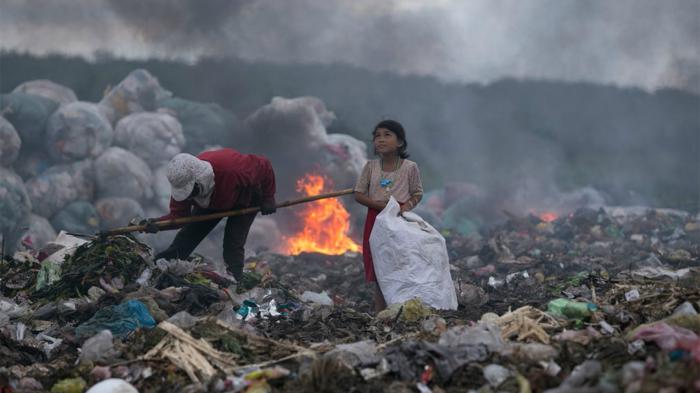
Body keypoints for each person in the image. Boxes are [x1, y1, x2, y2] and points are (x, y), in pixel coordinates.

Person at [141, 148, 276, 281]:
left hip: (246, 196)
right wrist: (156, 224)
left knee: (233, 243)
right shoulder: (183, 185)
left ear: (199, 181)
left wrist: (268, 198)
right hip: (214, 201)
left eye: (190, 192)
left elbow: (265, 165)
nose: (188, 198)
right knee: (187, 237)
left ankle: (236, 279)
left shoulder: (233, 169)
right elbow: (179, 217)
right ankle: (159, 268)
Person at [354, 120, 423, 311]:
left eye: (387, 135)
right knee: (379, 265)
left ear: (400, 142)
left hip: (399, 220)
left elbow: (417, 193)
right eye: (377, 136)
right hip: (375, 220)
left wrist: (406, 206)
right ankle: (381, 311)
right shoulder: (370, 167)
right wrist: (378, 205)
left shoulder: (410, 167)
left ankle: (400, 308)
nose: (380, 139)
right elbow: (359, 194)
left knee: (399, 261)